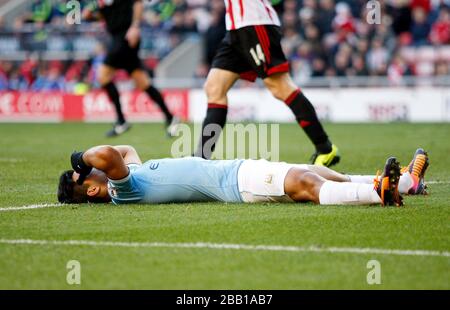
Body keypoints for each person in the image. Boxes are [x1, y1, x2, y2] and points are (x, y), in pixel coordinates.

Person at [194, 0, 339, 166]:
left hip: (254, 24)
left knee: (280, 87)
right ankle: (201, 159)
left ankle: (325, 148)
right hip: (236, 27)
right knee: (214, 88)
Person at [57, 146, 429, 207]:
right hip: (234, 182)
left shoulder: (130, 173)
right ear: (91, 190)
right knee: (305, 184)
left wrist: (81, 167)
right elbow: (107, 155)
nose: (89, 167)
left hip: (235, 171)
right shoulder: (123, 191)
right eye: (84, 174)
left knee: (317, 171)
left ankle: (409, 183)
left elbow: (123, 152)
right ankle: (378, 194)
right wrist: (79, 156)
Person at [83, 0, 179, 137]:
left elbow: (138, 3)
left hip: (125, 37)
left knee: (103, 75)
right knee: (142, 82)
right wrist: (90, 16)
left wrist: (135, 27)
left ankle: (121, 120)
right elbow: (106, 14)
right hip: (117, 37)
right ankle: (171, 118)